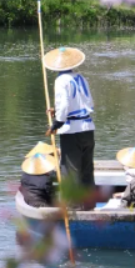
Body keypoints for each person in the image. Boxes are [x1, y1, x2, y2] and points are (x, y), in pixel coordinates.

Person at [44, 47, 95, 191]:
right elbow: (87, 102)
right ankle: (89, 203)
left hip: (72, 130)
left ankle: (73, 206)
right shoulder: (81, 78)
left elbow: (64, 104)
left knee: (70, 169)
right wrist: (57, 110)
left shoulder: (61, 80)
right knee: (87, 169)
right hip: (88, 128)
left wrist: (56, 125)